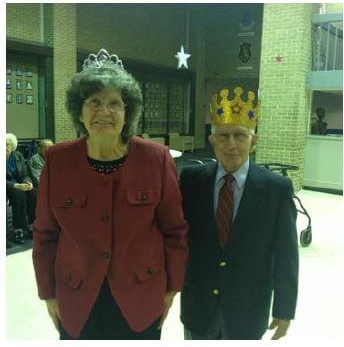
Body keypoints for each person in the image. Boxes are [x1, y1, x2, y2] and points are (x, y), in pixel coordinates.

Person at [32, 48, 188, 340]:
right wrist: (49, 295)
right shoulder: (57, 160)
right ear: (79, 110)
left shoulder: (156, 159)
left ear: (128, 111)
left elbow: (174, 230)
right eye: (94, 102)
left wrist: (171, 289)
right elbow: (44, 235)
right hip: (77, 301)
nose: (104, 112)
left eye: (115, 103)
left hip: (141, 301)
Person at [179, 86, 299, 340]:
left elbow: (286, 253)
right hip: (199, 306)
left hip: (248, 309)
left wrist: (284, 309)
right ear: (212, 141)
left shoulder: (276, 189)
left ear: (253, 141)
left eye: (240, 136)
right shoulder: (191, 180)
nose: (231, 144)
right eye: (223, 136)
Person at [6, 133, 37, 243]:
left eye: (7, 145)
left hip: (19, 185)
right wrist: (16, 185)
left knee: (33, 192)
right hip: (7, 187)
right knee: (19, 194)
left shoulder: (17, 155)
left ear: (12, 146)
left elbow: (24, 174)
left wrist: (28, 183)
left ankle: (31, 224)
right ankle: (17, 228)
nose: (5, 147)